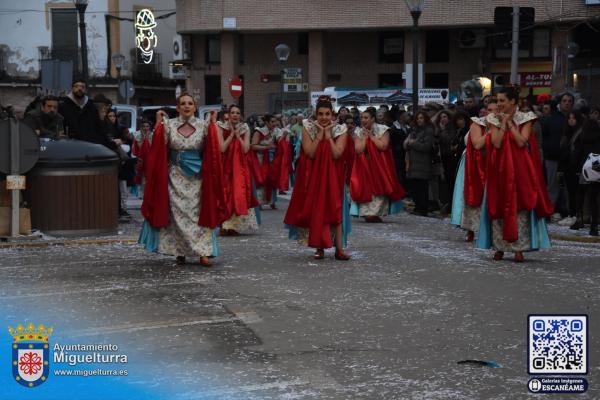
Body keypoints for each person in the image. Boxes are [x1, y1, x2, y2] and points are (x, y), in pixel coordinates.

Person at [139, 93, 226, 267]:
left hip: (198, 177)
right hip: (174, 177)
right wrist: (158, 126)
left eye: (190, 103)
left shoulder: (203, 125)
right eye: (183, 103)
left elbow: (214, 150)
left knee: (198, 213)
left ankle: (203, 252)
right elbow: (156, 147)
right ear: (178, 107)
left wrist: (214, 124)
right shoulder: (169, 125)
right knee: (176, 214)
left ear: (195, 107)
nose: (187, 106)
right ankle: (180, 252)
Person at [478, 86, 553, 262]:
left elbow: (521, 142)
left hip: (520, 169)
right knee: (498, 203)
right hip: (499, 169)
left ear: (513, 101)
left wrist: (510, 124)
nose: (499, 104)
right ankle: (499, 247)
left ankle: (519, 248)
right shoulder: (493, 118)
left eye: (502, 100)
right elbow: (495, 143)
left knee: (520, 205)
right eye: (497, 100)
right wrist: (502, 123)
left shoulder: (526, 118)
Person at [284, 96, 351, 261]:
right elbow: (310, 152)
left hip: (334, 176)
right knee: (318, 209)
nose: (324, 117)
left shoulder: (341, 129)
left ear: (332, 114)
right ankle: (319, 247)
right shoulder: (308, 127)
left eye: (327, 114)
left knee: (337, 209)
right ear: (316, 114)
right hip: (314, 176)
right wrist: (320, 134)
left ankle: (339, 249)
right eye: (320, 114)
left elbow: (337, 154)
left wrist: (328, 135)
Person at [451, 100, 498, 242]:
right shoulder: (478, 124)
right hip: (475, 165)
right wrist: (491, 130)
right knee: (474, 194)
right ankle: (470, 229)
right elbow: (477, 144)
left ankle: (493, 230)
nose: (493, 113)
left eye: (496, 110)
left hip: (495, 165)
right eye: (489, 109)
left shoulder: (505, 124)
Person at [349, 108, 406, 222]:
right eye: (361, 118)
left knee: (379, 188)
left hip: (380, 167)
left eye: (366, 118)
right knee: (365, 188)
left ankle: (375, 213)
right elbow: (358, 149)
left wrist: (371, 137)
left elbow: (383, 146)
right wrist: (365, 137)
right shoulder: (358, 132)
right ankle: (367, 213)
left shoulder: (383, 130)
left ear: (373, 119)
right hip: (364, 166)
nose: (363, 120)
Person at [217, 104, 260, 236]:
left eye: (237, 112)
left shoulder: (245, 127)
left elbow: (246, 149)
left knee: (238, 193)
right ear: (228, 115)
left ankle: (233, 226)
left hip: (240, 166)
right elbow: (222, 148)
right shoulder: (220, 126)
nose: (235, 115)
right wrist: (231, 135)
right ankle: (224, 224)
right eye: (233, 113)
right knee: (225, 193)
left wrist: (238, 135)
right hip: (225, 165)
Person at [542, 93, 573, 218]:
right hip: (553, 158)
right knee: (552, 186)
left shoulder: (575, 118)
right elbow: (545, 138)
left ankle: (568, 211)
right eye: (564, 100)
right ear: (560, 103)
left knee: (568, 187)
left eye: (569, 101)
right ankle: (549, 211)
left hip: (570, 159)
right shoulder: (552, 119)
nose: (567, 103)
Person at [59, 79, 112, 147]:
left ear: (86, 90)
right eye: (76, 86)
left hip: (89, 145)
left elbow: (99, 128)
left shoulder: (91, 107)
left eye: (82, 87)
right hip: (70, 145)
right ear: (72, 89)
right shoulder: (64, 106)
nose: (79, 89)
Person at [405, 111, 435, 216]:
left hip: (423, 163)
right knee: (415, 187)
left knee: (422, 187)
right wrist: (409, 143)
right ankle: (418, 207)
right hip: (413, 163)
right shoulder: (414, 130)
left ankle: (423, 208)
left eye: (421, 118)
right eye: (417, 118)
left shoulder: (429, 131)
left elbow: (426, 147)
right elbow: (406, 144)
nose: (419, 120)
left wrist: (413, 143)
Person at [560, 110, 586, 229]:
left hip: (575, 166)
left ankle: (575, 214)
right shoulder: (567, 132)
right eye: (569, 118)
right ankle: (571, 213)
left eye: (573, 118)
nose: (571, 120)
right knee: (569, 191)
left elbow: (580, 151)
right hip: (567, 165)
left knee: (575, 192)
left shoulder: (580, 132)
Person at [250, 114, 280, 209]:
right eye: (272, 121)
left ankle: (272, 201)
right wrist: (267, 147)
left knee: (272, 178)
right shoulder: (259, 131)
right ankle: (260, 202)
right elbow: (253, 146)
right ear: (266, 122)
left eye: (275, 121)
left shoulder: (276, 131)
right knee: (261, 179)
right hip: (261, 159)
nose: (275, 123)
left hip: (272, 158)